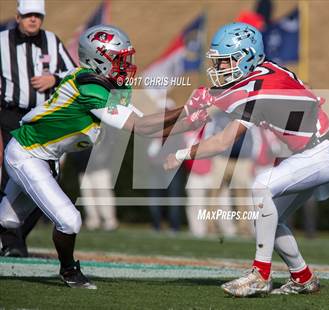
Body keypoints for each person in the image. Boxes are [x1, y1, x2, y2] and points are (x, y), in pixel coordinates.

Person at [0, 24, 210, 289]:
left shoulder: (104, 84)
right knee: (69, 220)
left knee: (7, 220)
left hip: (44, 158)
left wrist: (190, 122)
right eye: (120, 60)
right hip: (27, 154)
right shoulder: (91, 87)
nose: (126, 65)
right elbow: (142, 125)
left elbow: (145, 126)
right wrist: (188, 108)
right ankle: (69, 271)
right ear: (99, 59)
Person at [164, 22, 329, 297]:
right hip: (310, 154)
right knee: (266, 219)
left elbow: (223, 140)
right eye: (218, 63)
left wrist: (181, 151)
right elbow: (223, 139)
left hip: (321, 151)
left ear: (248, 56)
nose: (219, 69)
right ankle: (303, 277)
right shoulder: (258, 79)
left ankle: (260, 274)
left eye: (226, 62)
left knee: (261, 185)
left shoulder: (260, 86)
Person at [0, 0, 76, 257]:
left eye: (38, 16)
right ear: (18, 16)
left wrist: (53, 78)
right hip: (9, 115)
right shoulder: (2, 41)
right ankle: (11, 242)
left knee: (47, 179)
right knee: (11, 176)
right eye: (28, 15)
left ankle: (15, 238)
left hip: (41, 120)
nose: (33, 20)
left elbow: (74, 73)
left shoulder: (52, 41)